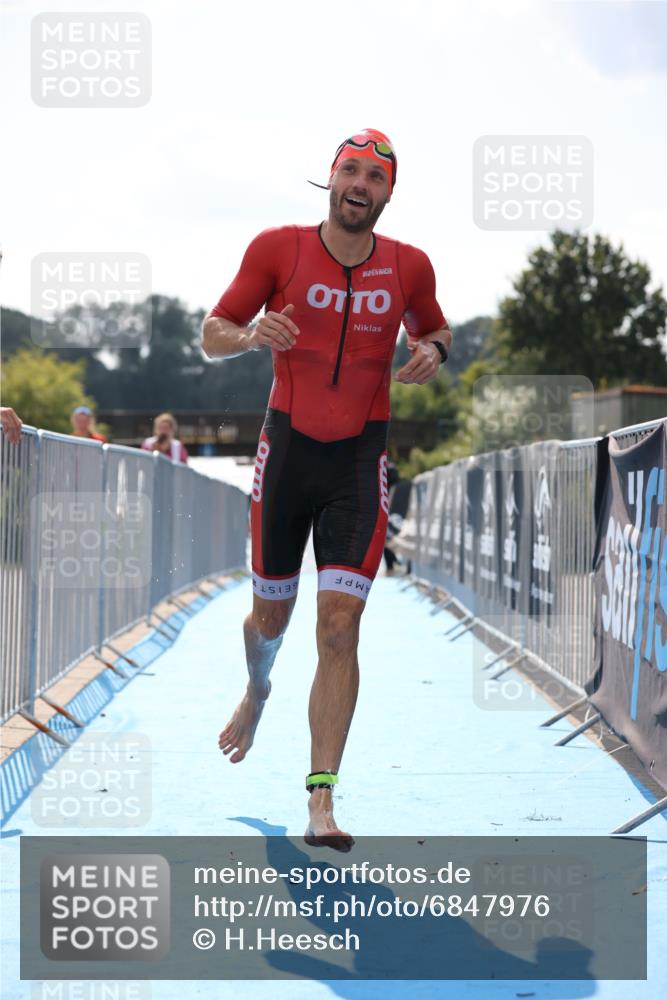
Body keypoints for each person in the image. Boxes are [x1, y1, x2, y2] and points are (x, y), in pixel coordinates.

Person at [202, 128, 452, 850]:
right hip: (286, 455)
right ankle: (257, 689)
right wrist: (251, 335)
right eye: (350, 170)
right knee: (269, 625)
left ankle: (320, 801)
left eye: (375, 176)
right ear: (330, 178)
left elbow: (436, 329)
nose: (360, 184)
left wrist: (430, 350)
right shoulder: (277, 248)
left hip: (356, 461)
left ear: (387, 194)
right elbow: (211, 331)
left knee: (339, 626)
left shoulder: (409, 266)